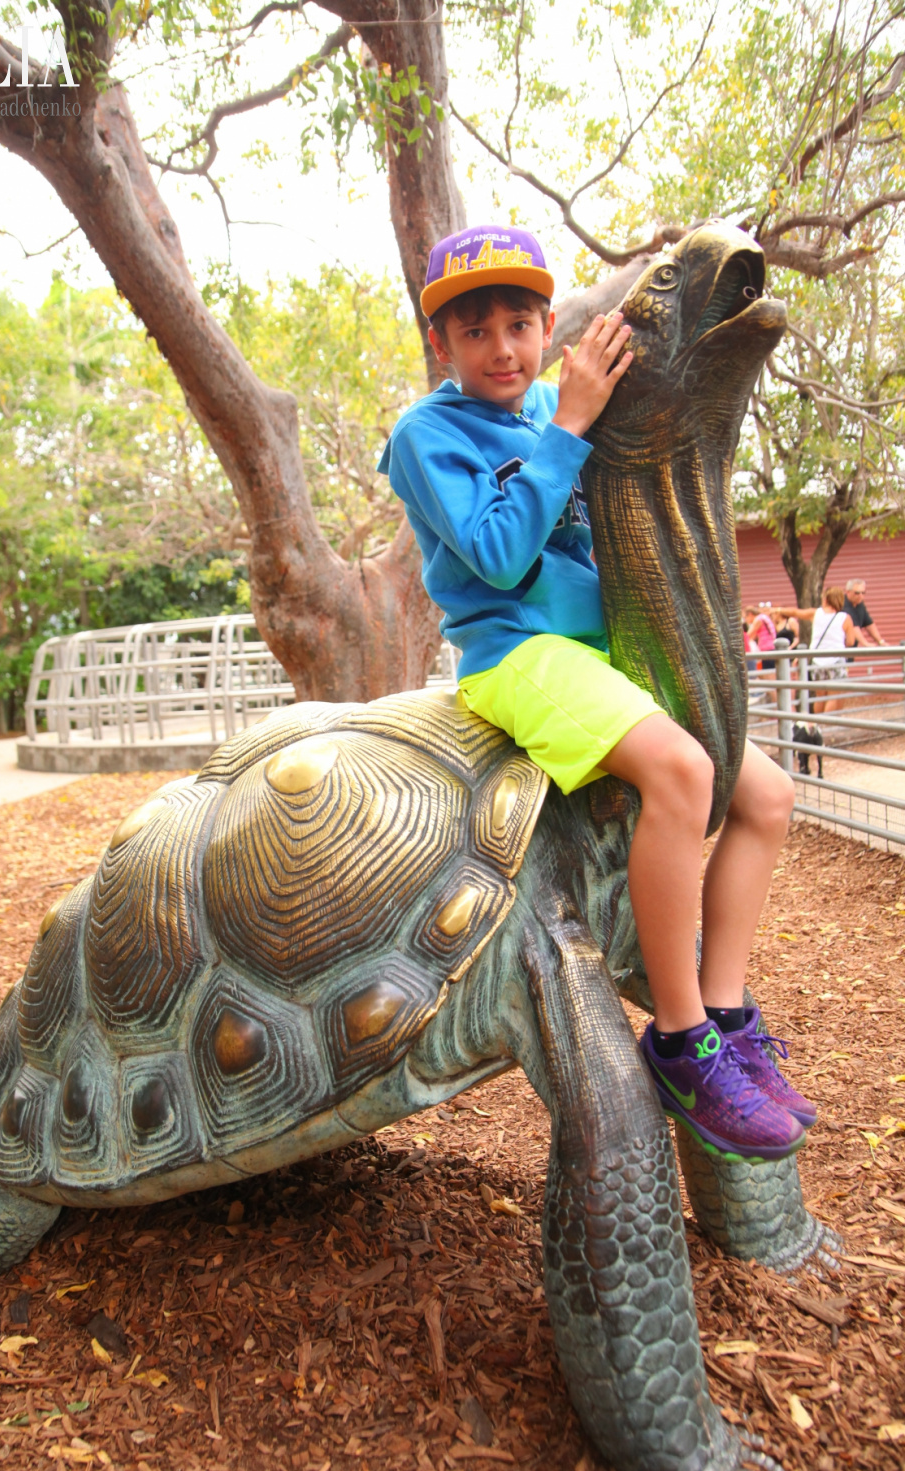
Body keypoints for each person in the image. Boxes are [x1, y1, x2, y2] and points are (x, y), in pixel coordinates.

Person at [378, 223, 813, 1162]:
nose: (503, 348)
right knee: (682, 772)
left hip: (607, 649)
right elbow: (495, 554)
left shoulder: (553, 401)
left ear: (547, 328)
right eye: (477, 330)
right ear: (443, 347)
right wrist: (569, 426)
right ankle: (683, 1038)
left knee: (768, 794)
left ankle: (730, 1013)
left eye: (521, 323)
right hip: (519, 653)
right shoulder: (429, 434)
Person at [788, 586, 860, 715]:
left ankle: (818, 725)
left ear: (826, 599)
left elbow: (795, 612)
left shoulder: (816, 613)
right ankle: (827, 725)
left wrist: (775, 609)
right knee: (833, 695)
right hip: (835, 661)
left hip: (817, 661)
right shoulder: (844, 617)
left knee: (820, 696)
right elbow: (851, 642)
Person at [844, 579, 887, 646]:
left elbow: (869, 624)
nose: (860, 596)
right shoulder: (844, 605)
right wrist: (865, 643)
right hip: (840, 647)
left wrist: (880, 641)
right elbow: (854, 627)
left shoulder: (860, 604)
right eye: (857, 593)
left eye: (863, 593)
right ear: (848, 592)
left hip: (851, 647)